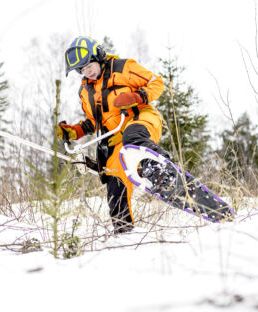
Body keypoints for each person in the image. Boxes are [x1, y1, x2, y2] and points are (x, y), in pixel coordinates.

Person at [59, 36, 173, 234]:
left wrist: (139, 96)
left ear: (99, 55)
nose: (87, 71)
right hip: (116, 139)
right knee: (114, 183)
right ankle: (124, 232)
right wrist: (74, 131)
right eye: (82, 70)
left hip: (142, 120)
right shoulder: (85, 91)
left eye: (89, 65)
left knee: (132, 138)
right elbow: (93, 121)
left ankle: (163, 173)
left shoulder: (123, 68)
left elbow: (157, 82)